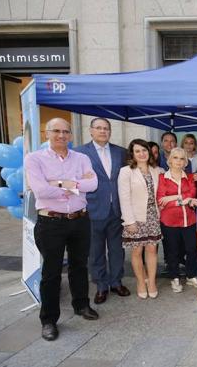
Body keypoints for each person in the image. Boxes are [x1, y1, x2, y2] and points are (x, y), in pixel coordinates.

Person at [24, 118, 99, 341]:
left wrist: (59, 182)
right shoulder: (34, 159)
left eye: (66, 131)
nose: (61, 135)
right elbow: (40, 190)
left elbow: (93, 185)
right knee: (51, 272)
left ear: (71, 135)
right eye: (56, 131)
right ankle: (48, 320)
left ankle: (81, 305)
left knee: (79, 265)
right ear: (47, 133)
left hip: (80, 220)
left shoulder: (82, 158)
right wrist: (75, 184)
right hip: (51, 222)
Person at [75, 117, 130, 305]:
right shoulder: (79, 153)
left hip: (117, 211)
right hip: (92, 210)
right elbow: (74, 181)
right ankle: (101, 285)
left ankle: (116, 281)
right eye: (98, 128)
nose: (102, 131)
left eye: (106, 128)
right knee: (95, 251)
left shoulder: (121, 153)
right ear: (91, 131)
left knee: (117, 250)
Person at [118, 139, 162, 299]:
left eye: (144, 150)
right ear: (132, 154)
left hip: (153, 216)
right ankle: (140, 282)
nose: (142, 154)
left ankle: (151, 282)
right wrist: (129, 221)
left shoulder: (158, 170)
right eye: (137, 151)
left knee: (151, 249)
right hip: (135, 217)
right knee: (137, 251)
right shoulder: (126, 171)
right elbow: (124, 197)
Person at [156, 147, 197, 293]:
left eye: (182, 158)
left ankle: (191, 275)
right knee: (172, 251)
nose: (178, 161)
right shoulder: (162, 178)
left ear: (185, 162)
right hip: (169, 221)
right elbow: (161, 200)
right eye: (175, 157)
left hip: (189, 220)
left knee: (192, 249)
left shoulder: (190, 177)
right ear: (169, 160)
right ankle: (174, 277)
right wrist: (180, 197)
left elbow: (191, 193)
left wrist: (172, 198)